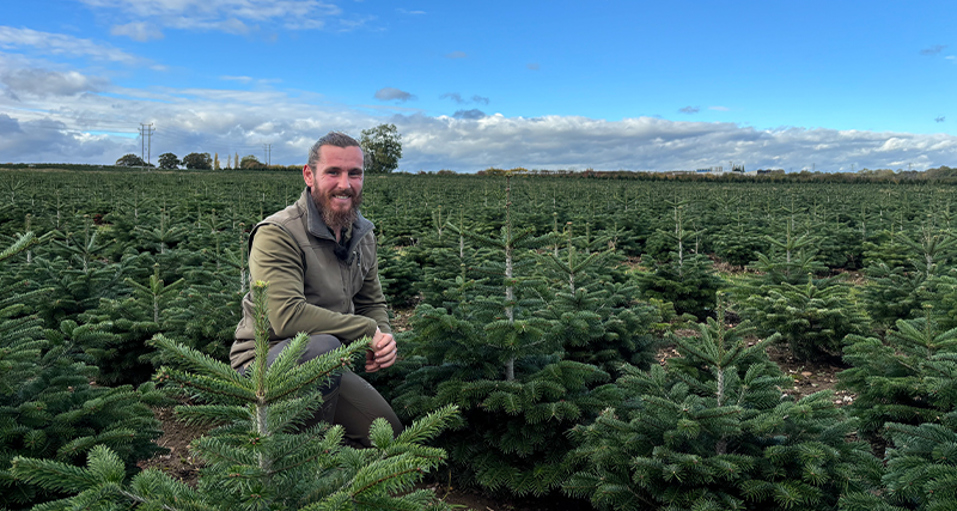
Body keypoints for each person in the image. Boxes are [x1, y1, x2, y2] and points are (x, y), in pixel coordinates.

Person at [231, 131, 401, 446]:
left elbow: (371, 300)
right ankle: (301, 456)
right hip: (263, 364)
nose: (345, 184)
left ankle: (330, 452)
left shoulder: (362, 235)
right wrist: (365, 330)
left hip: (326, 361)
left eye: (355, 173)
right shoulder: (278, 234)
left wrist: (384, 337)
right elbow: (286, 316)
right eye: (333, 172)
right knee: (321, 345)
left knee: (386, 435)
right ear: (309, 175)